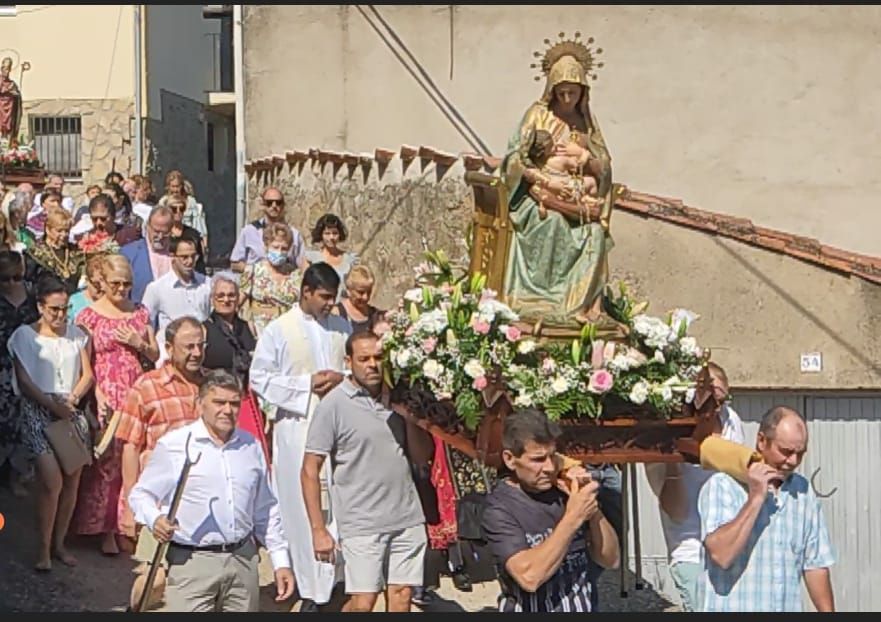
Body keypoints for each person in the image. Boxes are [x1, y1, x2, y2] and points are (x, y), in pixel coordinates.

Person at [129, 369, 295, 612]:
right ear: (200, 404)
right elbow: (141, 495)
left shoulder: (251, 446)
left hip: (243, 560)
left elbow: (266, 509)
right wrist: (155, 520)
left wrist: (280, 561)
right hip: (192, 564)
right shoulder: (175, 445)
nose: (227, 410)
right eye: (219, 402)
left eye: (234, 403)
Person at [303, 331, 430, 612]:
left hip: (407, 516)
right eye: (364, 358)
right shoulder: (333, 405)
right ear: (349, 361)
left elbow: (422, 458)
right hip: (361, 522)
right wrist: (318, 529)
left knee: (402, 595)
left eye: (378, 357)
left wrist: (410, 419)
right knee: (363, 602)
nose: (372, 364)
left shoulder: (400, 400)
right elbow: (310, 469)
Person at [249, 262, 351, 611]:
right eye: (323, 297)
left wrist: (341, 379)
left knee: (337, 499)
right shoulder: (279, 330)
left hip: (337, 426)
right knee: (299, 501)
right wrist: (306, 385)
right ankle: (308, 585)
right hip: (297, 425)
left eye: (333, 298)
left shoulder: (341, 326)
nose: (329, 304)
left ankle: (337, 578)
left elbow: (352, 367)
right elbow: (259, 378)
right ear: (305, 292)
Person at [500, 40, 614, 328]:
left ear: (582, 93)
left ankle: (581, 307)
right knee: (551, 223)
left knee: (595, 236)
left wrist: (584, 156)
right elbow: (514, 160)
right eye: (561, 92)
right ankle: (539, 301)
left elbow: (604, 170)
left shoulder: (586, 123)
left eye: (572, 93)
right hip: (538, 199)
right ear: (551, 90)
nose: (566, 98)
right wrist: (542, 180)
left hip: (577, 202)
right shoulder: (537, 115)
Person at [481, 409, 619, 612]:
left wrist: (591, 508)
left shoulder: (565, 492)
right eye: (537, 459)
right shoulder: (499, 509)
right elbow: (529, 577)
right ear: (510, 459)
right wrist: (573, 517)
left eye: (553, 456)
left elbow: (611, 559)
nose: (548, 467)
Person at [698, 406, 835, 612]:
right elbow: (721, 555)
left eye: (800, 453)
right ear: (761, 441)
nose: (793, 462)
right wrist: (756, 498)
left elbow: (815, 564)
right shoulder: (723, 486)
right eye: (786, 452)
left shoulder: (803, 492)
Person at [70, 255, 158, 556]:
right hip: (106, 391)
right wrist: (96, 394)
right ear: (102, 283)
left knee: (131, 457)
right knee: (105, 460)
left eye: (127, 284)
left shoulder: (139, 312)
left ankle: (125, 523)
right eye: (115, 284)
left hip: (136, 390)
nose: (122, 289)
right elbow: (83, 361)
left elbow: (155, 353)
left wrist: (139, 342)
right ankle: (101, 526)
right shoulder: (88, 317)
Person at [114, 316, 206, 602]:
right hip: (160, 503)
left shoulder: (212, 387)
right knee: (154, 577)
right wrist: (131, 506)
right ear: (168, 347)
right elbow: (130, 447)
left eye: (200, 345)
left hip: (202, 500)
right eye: (188, 346)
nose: (196, 353)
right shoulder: (146, 387)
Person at [8, 276, 94, 571]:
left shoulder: (76, 334)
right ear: (40, 307)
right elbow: (24, 380)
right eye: (55, 309)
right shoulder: (23, 336)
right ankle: (43, 549)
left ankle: (59, 545)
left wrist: (73, 397)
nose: (60, 315)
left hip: (69, 410)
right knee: (51, 480)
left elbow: (87, 374)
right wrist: (51, 405)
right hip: (38, 410)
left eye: (65, 309)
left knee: (72, 479)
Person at [644, 362, 745, 612]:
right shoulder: (662, 435)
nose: (715, 406)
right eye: (707, 397)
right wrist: (674, 458)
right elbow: (675, 510)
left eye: (720, 397)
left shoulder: (731, 420)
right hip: (690, 548)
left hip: (730, 544)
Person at [0, 250, 39, 497]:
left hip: (27, 366)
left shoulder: (33, 295)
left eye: (17, 277)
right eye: (5, 279)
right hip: (1, 368)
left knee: (22, 423)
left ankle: (16, 476)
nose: (12, 283)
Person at [142, 237, 212, 356]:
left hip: (200, 351)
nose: (190, 261)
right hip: (170, 353)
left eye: (193, 256)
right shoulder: (157, 288)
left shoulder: (207, 283)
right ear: (172, 257)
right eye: (184, 257)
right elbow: (146, 322)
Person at [239, 221, 301, 337]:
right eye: (276, 247)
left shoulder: (296, 274)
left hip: (288, 331)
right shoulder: (253, 271)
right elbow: (238, 302)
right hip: (260, 332)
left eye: (284, 248)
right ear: (266, 246)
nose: (279, 251)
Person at [229, 187, 305, 272]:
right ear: (263, 205)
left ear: (283, 205)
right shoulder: (249, 231)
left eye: (278, 203)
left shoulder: (294, 234)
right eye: (269, 203)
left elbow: (302, 264)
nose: (274, 206)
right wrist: (255, 270)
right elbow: (234, 264)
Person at [203, 274, 256, 383]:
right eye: (220, 295)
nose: (226, 300)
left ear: (238, 298)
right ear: (212, 298)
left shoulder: (249, 327)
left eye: (231, 295)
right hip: (217, 389)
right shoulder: (203, 329)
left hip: (246, 391)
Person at [24, 207, 86, 295]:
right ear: (48, 229)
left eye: (67, 231)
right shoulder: (34, 254)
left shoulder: (76, 252)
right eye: (59, 231)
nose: (64, 235)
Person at [121, 205, 174, 304]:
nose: (160, 236)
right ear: (148, 227)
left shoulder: (178, 253)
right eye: (156, 231)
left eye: (165, 233)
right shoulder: (129, 254)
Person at [304, 213, 358, 300]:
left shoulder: (349, 260)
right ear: (321, 235)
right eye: (327, 233)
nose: (331, 237)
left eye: (335, 233)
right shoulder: (311, 259)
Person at [157, 171, 208, 253]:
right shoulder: (163, 202)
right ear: (168, 187)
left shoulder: (190, 202)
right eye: (173, 186)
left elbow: (198, 225)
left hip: (188, 237)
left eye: (177, 186)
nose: (175, 190)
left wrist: (203, 244)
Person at [333, 265, 382, 334]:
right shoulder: (336, 313)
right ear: (349, 290)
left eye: (369, 292)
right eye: (361, 292)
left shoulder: (375, 315)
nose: (366, 297)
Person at [167, 195, 206, 274]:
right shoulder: (164, 234)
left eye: (181, 209)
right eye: (174, 209)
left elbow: (200, 262)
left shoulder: (193, 234)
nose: (178, 212)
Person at [67, 254, 106, 322]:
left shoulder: (113, 302)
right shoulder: (74, 302)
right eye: (97, 284)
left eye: (106, 284)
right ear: (87, 281)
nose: (102, 288)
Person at [0, 56, 22, 141]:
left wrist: (16, 94)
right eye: (5, 68)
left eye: (9, 68)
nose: (7, 71)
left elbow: (16, 94)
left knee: (10, 129)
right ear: (2, 68)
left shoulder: (12, 83)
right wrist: (7, 90)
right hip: (1, 109)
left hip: (10, 111)